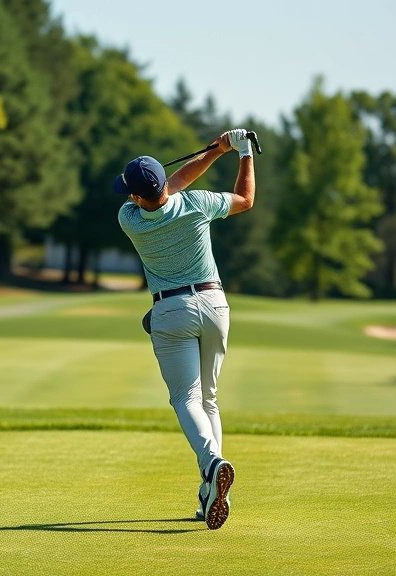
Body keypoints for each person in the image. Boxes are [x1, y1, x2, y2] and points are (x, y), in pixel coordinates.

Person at [114, 129, 255, 530]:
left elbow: (166, 188)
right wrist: (238, 152)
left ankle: (212, 465)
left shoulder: (129, 219)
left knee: (185, 398)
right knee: (209, 398)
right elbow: (244, 200)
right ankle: (209, 488)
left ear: (138, 197)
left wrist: (216, 150)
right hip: (215, 305)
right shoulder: (198, 204)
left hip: (170, 311)